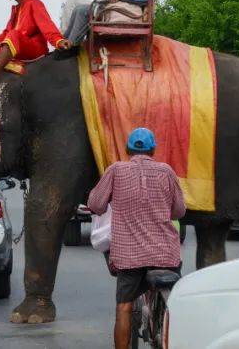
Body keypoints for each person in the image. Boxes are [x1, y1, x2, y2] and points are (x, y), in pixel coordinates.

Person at [87, 127, 185, 349]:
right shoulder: (167, 172)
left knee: (124, 307)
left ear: (127, 149)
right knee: (175, 303)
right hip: (164, 254)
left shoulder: (116, 170)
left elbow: (95, 205)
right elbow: (179, 211)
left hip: (129, 257)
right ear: (153, 150)